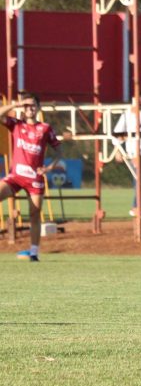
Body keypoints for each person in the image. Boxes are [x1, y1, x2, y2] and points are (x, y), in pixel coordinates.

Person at [0, 93, 63, 261]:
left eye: (33, 105)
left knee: (35, 214)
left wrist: (49, 167)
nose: (30, 108)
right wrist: (17, 104)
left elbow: (59, 150)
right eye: (27, 106)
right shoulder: (16, 125)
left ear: (38, 108)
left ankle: (34, 252)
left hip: (34, 180)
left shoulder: (45, 128)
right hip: (15, 177)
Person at [112, 92, 141, 216]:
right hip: (133, 150)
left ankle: (140, 206)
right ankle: (137, 206)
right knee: (140, 178)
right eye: (137, 101)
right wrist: (117, 149)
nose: (140, 103)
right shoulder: (127, 115)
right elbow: (117, 132)